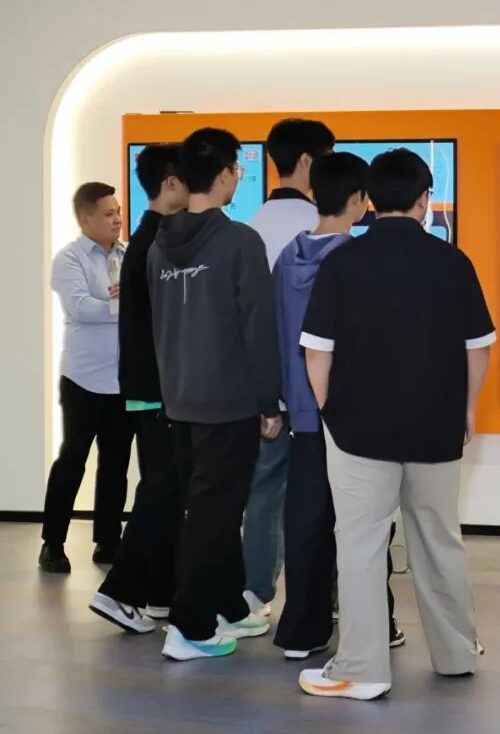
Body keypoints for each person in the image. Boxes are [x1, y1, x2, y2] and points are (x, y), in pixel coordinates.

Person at [297, 148, 495, 702]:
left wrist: (330, 410)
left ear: (369, 201)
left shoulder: (342, 264)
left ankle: (363, 669)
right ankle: (456, 654)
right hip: (436, 428)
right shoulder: (452, 262)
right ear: (424, 199)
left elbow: (316, 351)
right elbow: (478, 348)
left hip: (358, 430)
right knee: (440, 540)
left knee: (360, 543)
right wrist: (467, 409)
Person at [148, 128, 283, 660]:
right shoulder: (239, 242)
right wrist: (269, 401)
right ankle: (190, 627)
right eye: (238, 170)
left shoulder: (159, 244)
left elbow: (158, 326)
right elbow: (258, 327)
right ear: (226, 173)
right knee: (215, 515)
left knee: (212, 509)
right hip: (228, 401)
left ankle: (228, 604)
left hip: (180, 397)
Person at [271, 152, 404, 659]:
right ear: (359, 200)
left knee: (305, 520)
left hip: (301, 412)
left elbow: (276, 334)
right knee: (365, 523)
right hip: (354, 413)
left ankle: (300, 632)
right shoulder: (357, 260)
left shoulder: (287, 257)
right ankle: (377, 623)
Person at [89, 146, 189, 633]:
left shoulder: (149, 238)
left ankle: (161, 593)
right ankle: (118, 592)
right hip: (158, 386)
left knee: (165, 488)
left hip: (150, 384)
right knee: (163, 491)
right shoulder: (156, 242)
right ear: (170, 183)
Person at [243, 118, 336, 617]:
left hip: (264, 391)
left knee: (263, 491)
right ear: (306, 161)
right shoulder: (321, 227)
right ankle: (331, 598)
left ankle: (255, 593)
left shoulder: (251, 226)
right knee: (327, 496)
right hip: (317, 392)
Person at [40, 183, 134, 573]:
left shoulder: (129, 255)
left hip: (123, 379)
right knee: (73, 461)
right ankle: (53, 543)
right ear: (85, 219)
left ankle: (108, 541)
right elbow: (81, 308)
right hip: (83, 379)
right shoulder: (70, 258)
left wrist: (121, 300)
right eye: (109, 213)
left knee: (116, 464)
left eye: (118, 211)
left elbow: (138, 305)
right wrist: (123, 303)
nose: (117, 219)